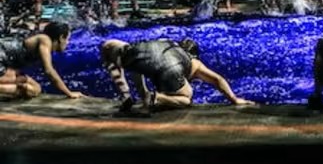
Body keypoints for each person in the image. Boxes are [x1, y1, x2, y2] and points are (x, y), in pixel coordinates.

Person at [100, 36, 255, 115]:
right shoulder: (194, 62)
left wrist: (140, 91)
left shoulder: (168, 42)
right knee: (186, 98)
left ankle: (126, 96)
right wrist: (234, 99)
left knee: (108, 47)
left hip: (140, 50)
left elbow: (140, 69)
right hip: (170, 69)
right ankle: (155, 97)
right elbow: (217, 79)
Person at [0, 21, 82, 99]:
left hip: (4, 60)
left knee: (35, 89)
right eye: (67, 39)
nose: (68, 43)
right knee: (31, 89)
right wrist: (69, 93)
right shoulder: (45, 40)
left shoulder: (43, 42)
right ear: (61, 38)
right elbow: (49, 71)